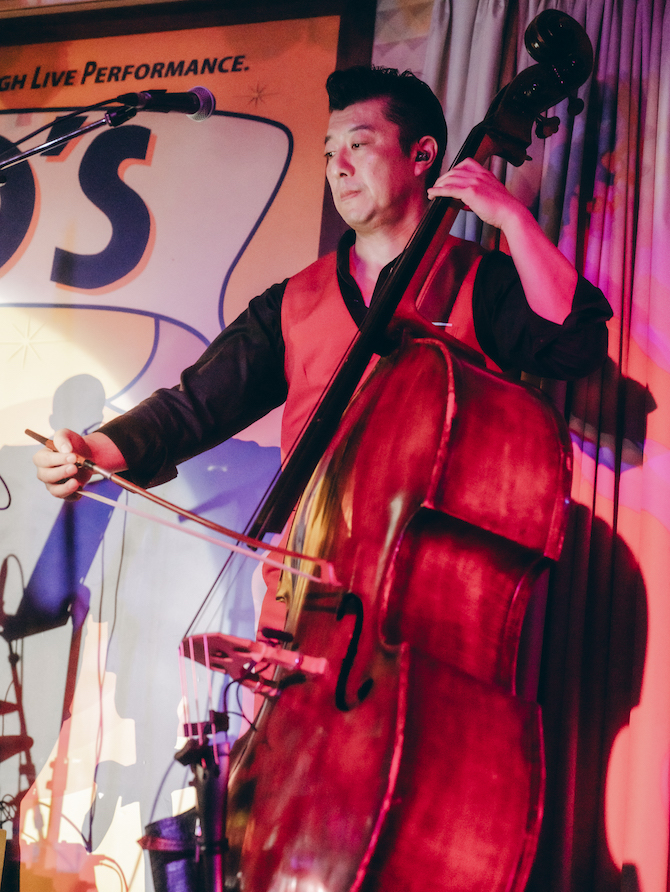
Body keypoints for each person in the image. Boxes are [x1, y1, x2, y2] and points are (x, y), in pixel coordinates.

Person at [34, 66, 611, 628]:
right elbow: (196, 406)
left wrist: (511, 217)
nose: (338, 166)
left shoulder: (478, 281)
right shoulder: (293, 301)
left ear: (422, 155)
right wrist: (94, 448)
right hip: (298, 593)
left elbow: (574, 343)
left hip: (428, 600)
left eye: (358, 145)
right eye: (330, 152)